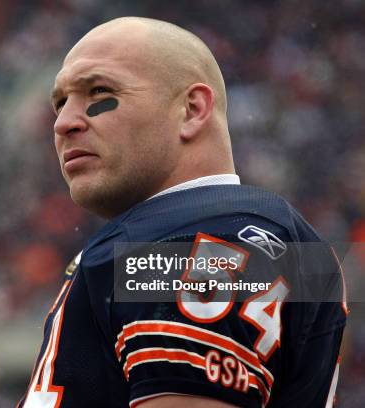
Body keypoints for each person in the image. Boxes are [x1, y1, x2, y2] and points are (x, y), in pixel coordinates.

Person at [18, 17, 346, 408]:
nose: (64, 122)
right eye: (60, 103)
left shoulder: (188, 240)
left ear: (191, 109)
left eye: (99, 92)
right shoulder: (253, 231)